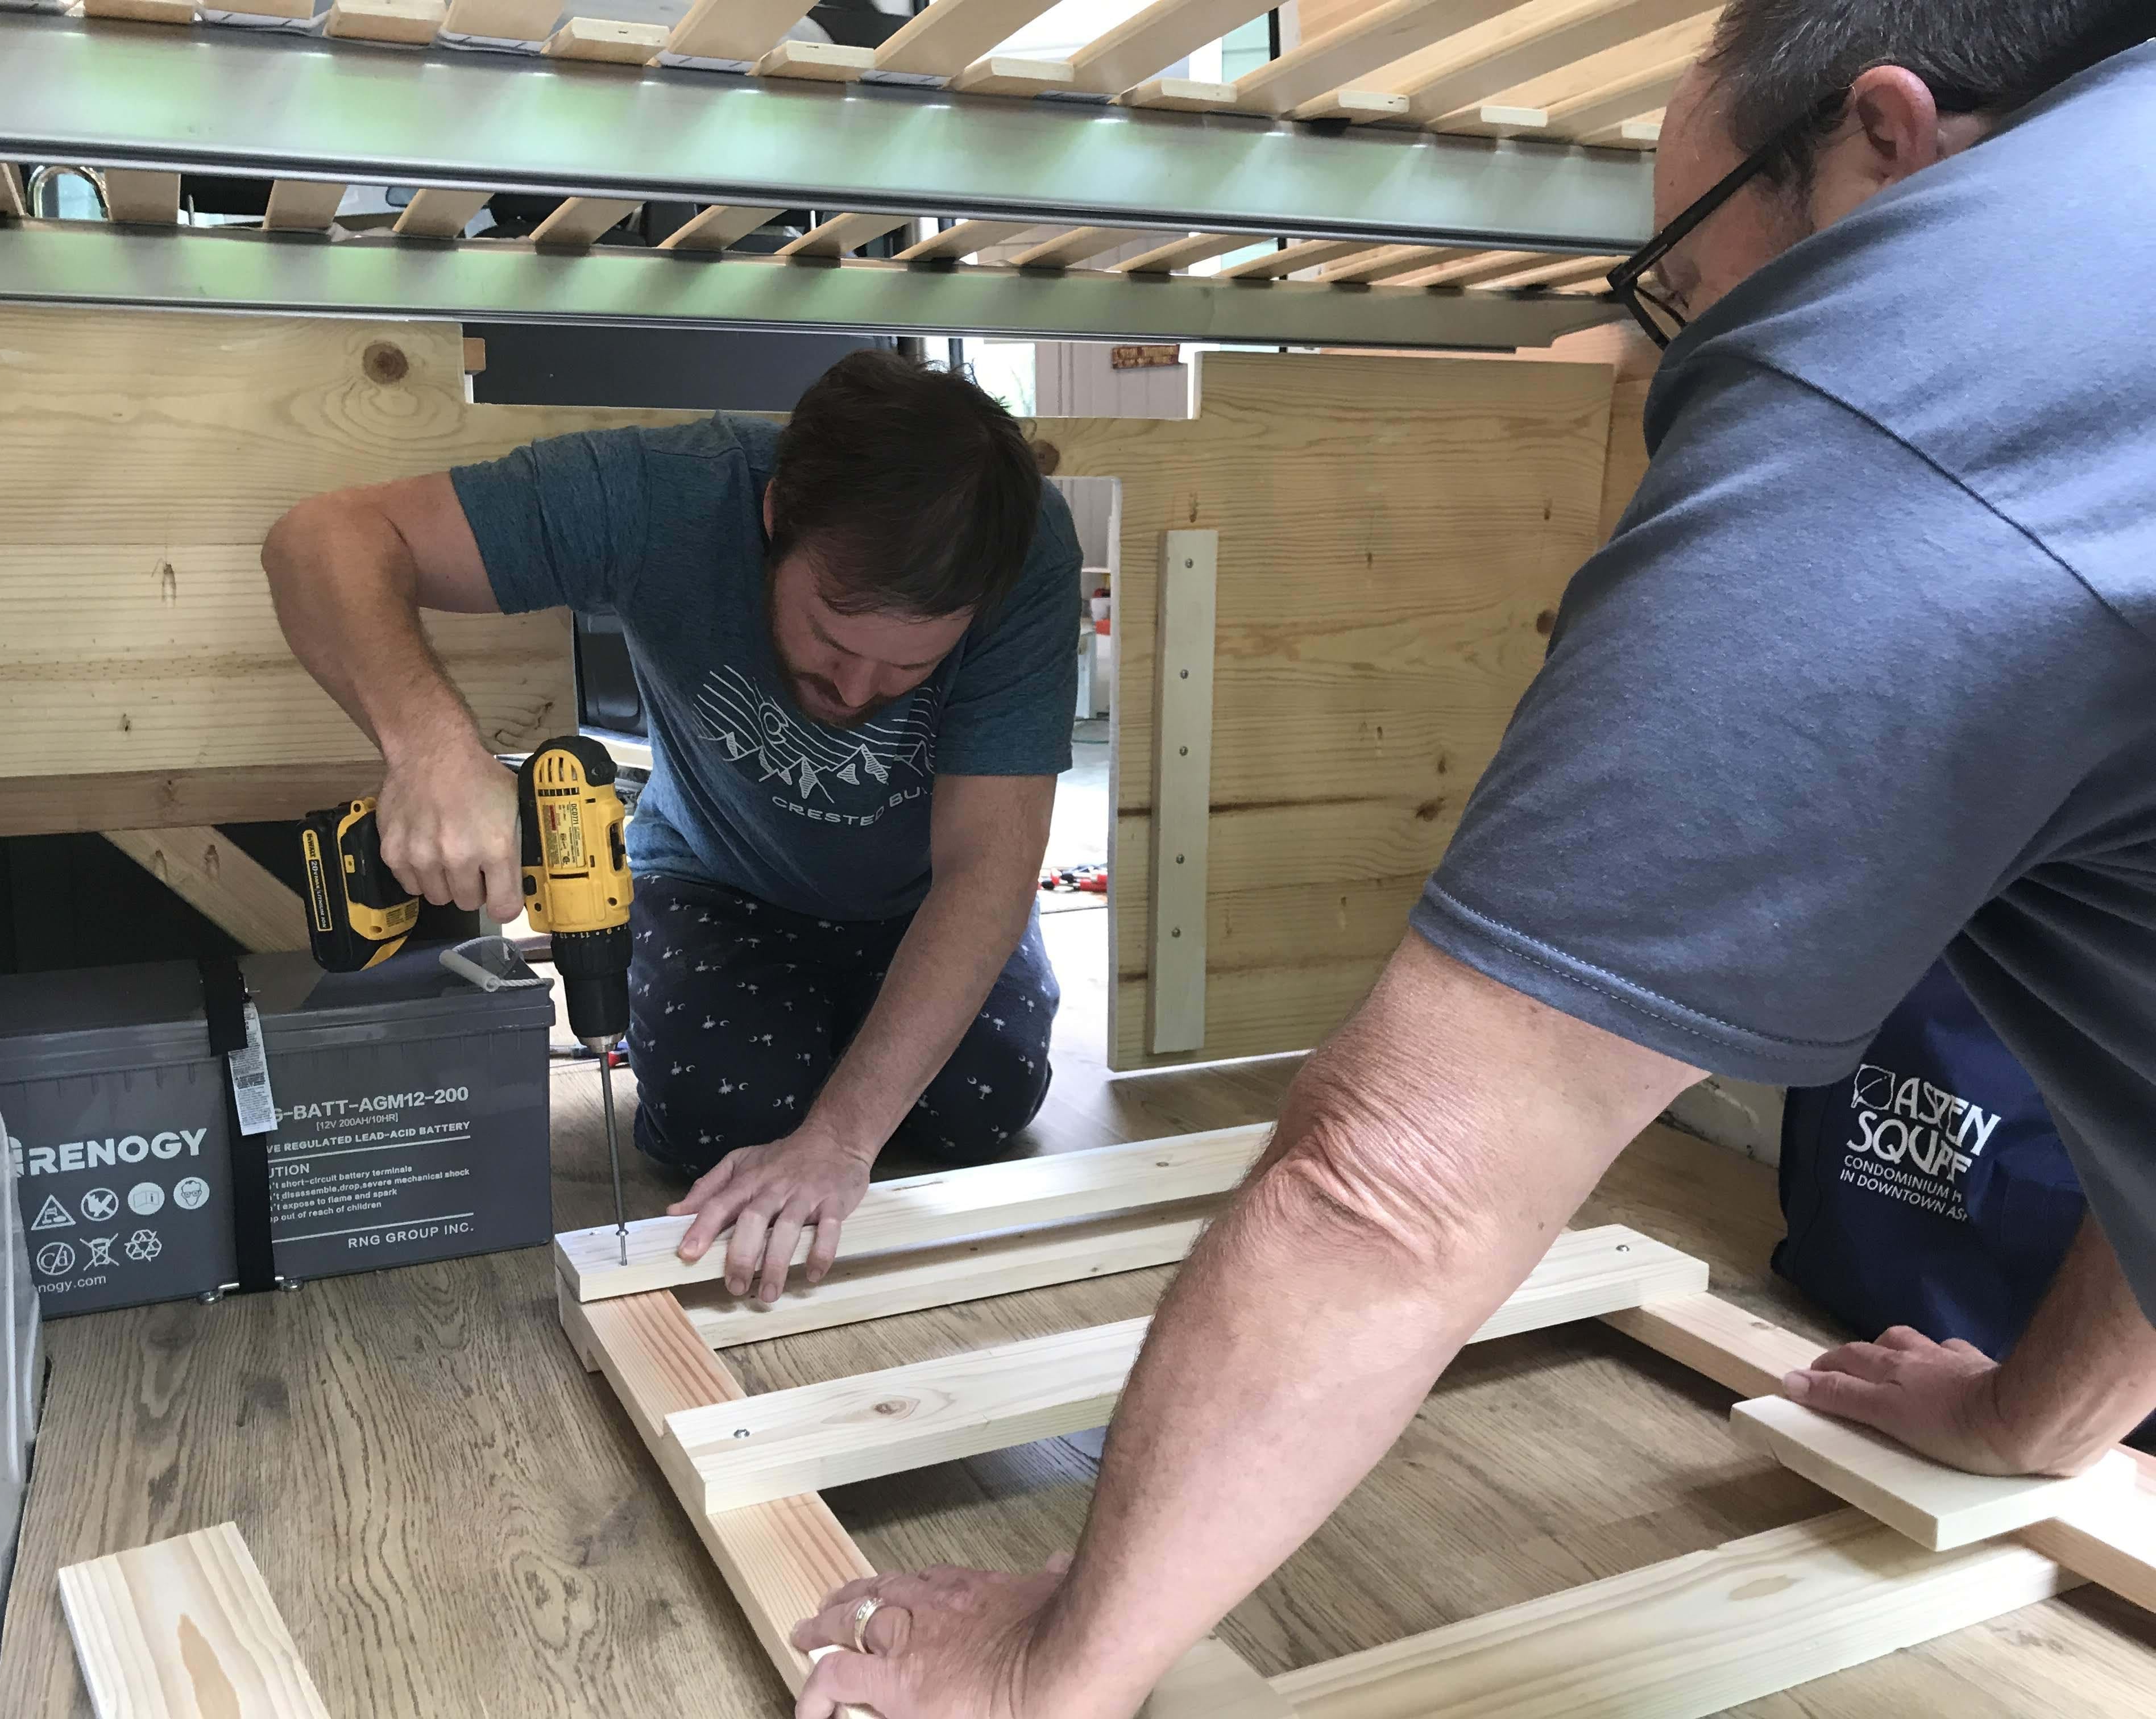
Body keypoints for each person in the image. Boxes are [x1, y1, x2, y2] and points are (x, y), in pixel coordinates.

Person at [787, 5, 2156, 1714]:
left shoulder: (1920, 350)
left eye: (1676, 275)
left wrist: (1049, 1665)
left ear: (1886, 141)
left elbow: (1397, 1182)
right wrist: (2038, 1419)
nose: (1677, 340)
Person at [263, 352, 1082, 1304]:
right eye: (832, 637)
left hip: (926, 894)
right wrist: (433, 753)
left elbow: (985, 866)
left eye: (909, 667)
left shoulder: (1025, 552)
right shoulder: (665, 495)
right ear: (776, 517)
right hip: (718, 878)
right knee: (722, 1117)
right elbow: (320, 539)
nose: (857, 691)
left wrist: (841, 1139)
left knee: (981, 1103)